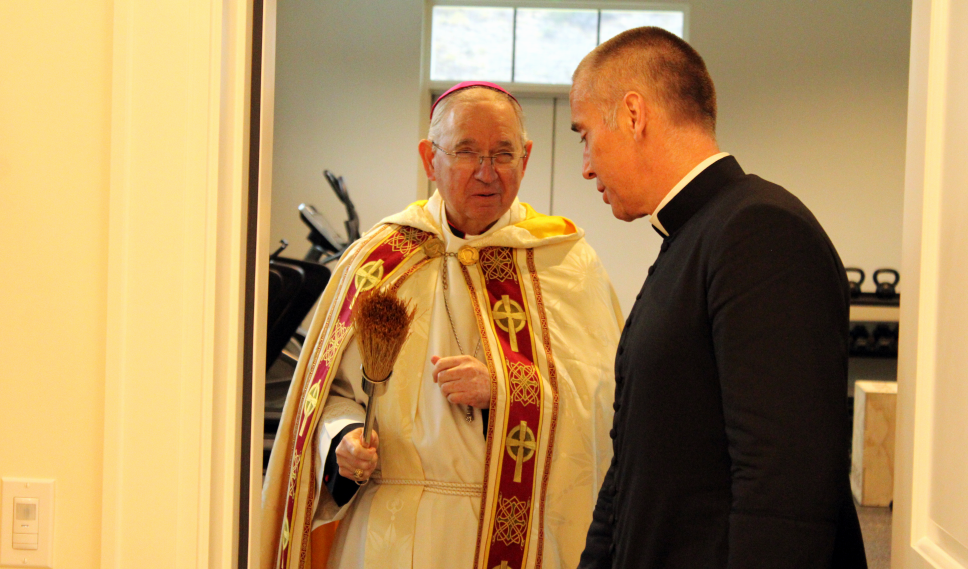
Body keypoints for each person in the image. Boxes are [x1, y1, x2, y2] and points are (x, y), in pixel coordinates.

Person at [262, 81, 623, 569]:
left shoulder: (565, 263)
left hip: (508, 531)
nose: (486, 172)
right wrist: (342, 439)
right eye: (466, 152)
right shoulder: (376, 261)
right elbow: (326, 396)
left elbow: (605, 403)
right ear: (429, 160)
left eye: (503, 154)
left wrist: (506, 388)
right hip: (384, 531)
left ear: (527, 157)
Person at [569, 28, 868, 568]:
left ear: (634, 115)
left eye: (585, 134)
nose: (586, 164)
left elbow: (784, 490)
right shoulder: (695, 235)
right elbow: (634, 463)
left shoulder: (758, 229)